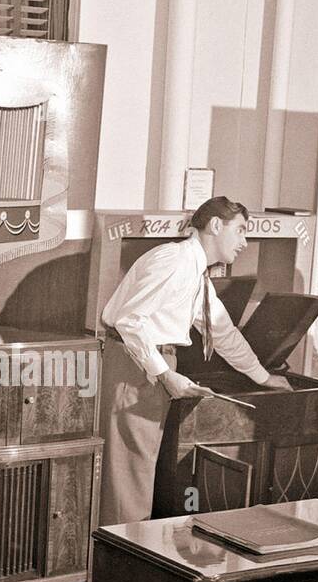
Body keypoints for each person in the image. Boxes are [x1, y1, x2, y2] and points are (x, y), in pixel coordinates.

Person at [98, 196, 287, 526]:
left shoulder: (194, 270)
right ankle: (122, 571)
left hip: (152, 365)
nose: (244, 242)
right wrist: (164, 374)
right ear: (216, 225)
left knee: (139, 474)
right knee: (130, 478)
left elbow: (222, 331)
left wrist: (262, 377)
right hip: (138, 366)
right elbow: (128, 321)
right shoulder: (174, 261)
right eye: (240, 231)